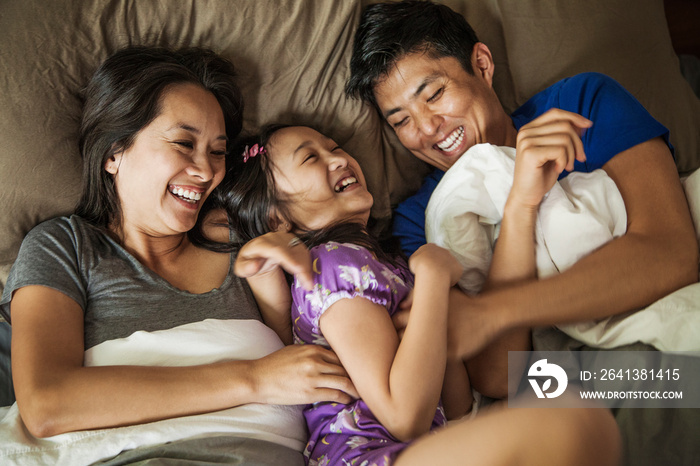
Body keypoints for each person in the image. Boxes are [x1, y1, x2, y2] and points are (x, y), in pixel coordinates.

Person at [0, 45, 357, 465]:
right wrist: (253, 379)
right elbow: (48, 404)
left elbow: (312, 346)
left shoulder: (244, 240)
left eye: (218, 151)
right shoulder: (65, 245)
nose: (206, 171)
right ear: (114, 151)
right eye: (183, 143)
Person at [345, 0, 698, 398]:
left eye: (435, 93)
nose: (426, 129)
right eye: (401, 121)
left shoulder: (580, 106)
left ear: (481, 64)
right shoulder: (419, 222)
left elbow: (674, 253)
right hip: (576, 380)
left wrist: (492, 311)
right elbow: (498, 377)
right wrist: (519, 208)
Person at [216, 124, 621, 466]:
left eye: (335, 147)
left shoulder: (383, 264)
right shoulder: (333, 265)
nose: (337, 158)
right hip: (371, 455)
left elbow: (455, 408)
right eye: (311, 158)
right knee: (571, 421)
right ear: (277, 218)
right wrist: (431, 276)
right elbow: (404, 416)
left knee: (578, 422)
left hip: (419, 447)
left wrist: (433, 311)